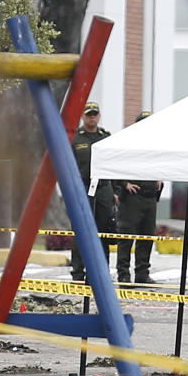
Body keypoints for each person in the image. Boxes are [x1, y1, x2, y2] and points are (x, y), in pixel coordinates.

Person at [70, 101, 116, 282]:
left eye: (94, 114)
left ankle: (100, 272)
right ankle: (78, 272)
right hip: (82, 187)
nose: (92, 117)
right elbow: (68, 165)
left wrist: (116, 191)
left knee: (103, 230)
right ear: (83, 116)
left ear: (98, 116)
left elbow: (114, 164)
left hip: (103, 188)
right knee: (80, 230)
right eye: (88, 114)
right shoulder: (76, 138)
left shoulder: (106, 137)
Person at [115, 111, 162, 284]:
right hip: (132, 198)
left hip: (150, 198)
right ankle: (124, 274)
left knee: (147, 237)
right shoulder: (127, 145)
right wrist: (124, 183)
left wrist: (160, 177)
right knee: (127, 238)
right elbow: (115, 167)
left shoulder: (154, 146)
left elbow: (160, 165)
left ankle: (142, 273)